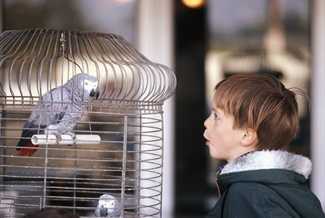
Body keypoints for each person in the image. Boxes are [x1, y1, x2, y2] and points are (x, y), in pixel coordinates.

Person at [204, 74, 325, 218]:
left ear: (247, 135)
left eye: (216, 116)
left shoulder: (247, 194)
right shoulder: (291, 189)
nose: (206, 122)